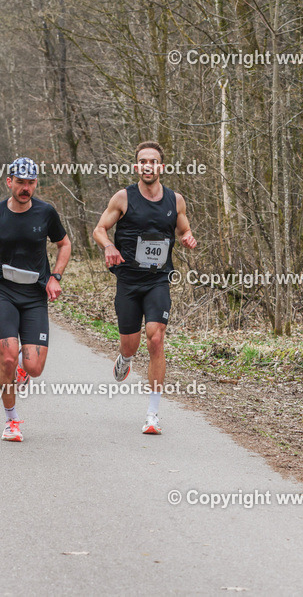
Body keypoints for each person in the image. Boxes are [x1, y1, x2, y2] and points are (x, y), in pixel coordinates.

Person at [92, 141, 196, 435]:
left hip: (157, 280)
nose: (148, 166)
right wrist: (109, 246)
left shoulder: (175, 200)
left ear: (161, 167)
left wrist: (187, 236)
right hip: (128, 280)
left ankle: (153, 413)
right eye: (143, 162)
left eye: (153, 161)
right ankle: (125, 358)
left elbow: (184, 227)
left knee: (156, 338)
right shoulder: (124, 197)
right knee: (131, 344)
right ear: (137, 167)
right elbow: (99, 229)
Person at [0, 158, 71, 442]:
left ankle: (23, 370)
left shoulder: (46, 213)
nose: (26, 188)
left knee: (34, 368)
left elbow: (64, 244)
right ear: (9, 181)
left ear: (36, 183)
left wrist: (55, 277)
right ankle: (12, 420)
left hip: (35, 295)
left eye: (31, 182)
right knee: (8, 358)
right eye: (20, 182)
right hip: (4, 294)